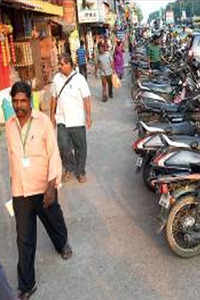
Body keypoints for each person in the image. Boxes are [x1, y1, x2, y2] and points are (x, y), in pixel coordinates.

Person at [5, 81, 72, 300]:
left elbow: (53, 154)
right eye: (15, 101)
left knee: (54, 220)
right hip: (21, 191)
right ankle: (27, 284)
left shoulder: (43, 122)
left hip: (44, 186)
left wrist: (52, 185)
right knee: (24, 239)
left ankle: (62, 243)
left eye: (23, 100)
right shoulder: (9, 125)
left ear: (30, 101)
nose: (19, 105)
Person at [50, 54, 92, 183]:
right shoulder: (56, 78)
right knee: (63, 146)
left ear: (69, 65)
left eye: (62, 64)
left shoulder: (80, 79)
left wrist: (88, 116)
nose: (60, 66)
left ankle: (80, 171)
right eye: (60, 64)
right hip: (62, 119)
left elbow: (86, 98)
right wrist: (52, 115)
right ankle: (68, 168)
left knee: (80, 147)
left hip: (77, 119)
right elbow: (53, 98)